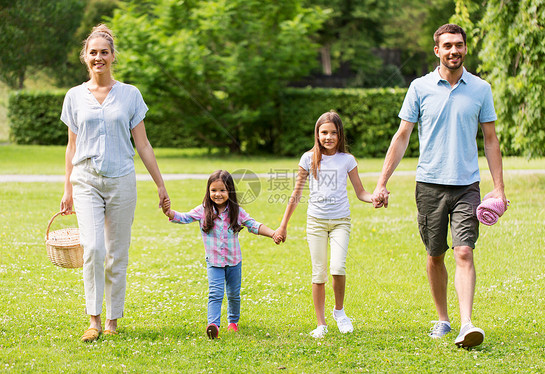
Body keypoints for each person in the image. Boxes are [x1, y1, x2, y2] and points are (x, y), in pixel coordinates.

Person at [372, 24, 508, 348]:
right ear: (437, 50)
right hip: (429, 185)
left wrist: (499, 188)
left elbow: (490, 140)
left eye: (459, 45)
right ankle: (443, 319)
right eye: (447, 45)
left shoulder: (480, 89)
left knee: (463, 251)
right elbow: (402, 136)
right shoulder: (419, 88)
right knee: (435, 255)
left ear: (465, 48)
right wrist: (381, 182)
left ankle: (467, 324)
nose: (453, 51)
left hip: (466, 185)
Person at [60, 24, 170, 342]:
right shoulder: (74, 97)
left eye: (104, 52)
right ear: (85, 57)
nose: (98, 57)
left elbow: (144, 145)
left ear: (112, 57)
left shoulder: (130, 95)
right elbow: (71, 145)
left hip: (122, 180)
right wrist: (67, 188)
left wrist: (160, 185)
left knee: (116, 253)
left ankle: (112, 319)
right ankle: (93, 320)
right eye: (92, 52)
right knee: (93, 248)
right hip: (86, 181)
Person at [274, 111, 373, 338]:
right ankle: (321, 324)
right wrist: (283, 226)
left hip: (341, 222)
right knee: (318, 274)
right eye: (324, 132)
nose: (328, 137)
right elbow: (296, 193)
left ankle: (340, 312)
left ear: (340, 135)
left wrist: (374, 197)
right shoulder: (308, 159)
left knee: (338, 268)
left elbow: (360, 192)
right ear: (317, 134)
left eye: (333, 133)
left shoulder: (347, 160)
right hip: (316, 222)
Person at [162, 170, 281, 339]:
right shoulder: (203, 210)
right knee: (215, 293)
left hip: (234, 262)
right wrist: (169, 213)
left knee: (233, 294)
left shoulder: (236, 211)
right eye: (214, 190)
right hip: (214, 263)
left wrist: (273, 233)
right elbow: (185, 217)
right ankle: (213, 325)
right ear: (208, 191)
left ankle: (233, 322)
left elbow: (253, 225)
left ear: (230, 191)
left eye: (222, 190)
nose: (217, 194)